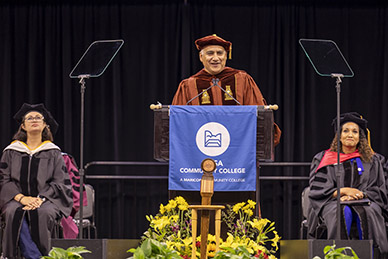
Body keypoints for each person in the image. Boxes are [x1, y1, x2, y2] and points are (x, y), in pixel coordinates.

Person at [172, 34, 281, 146]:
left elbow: (257, 113)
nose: (215, 58)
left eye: (219, 53)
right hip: (200, 149)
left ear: (226, 56)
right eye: (210, 53)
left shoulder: (242, 79)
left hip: (239, 148)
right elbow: (178, 121)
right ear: (201, 57)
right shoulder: (189, 85)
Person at [307, 112, 388, 256]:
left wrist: (359, 195)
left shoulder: (372, 160)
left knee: (368, 212)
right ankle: (338, 256)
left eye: (355, 131)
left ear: (360, 137)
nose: (350, 134)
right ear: (339, 135)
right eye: (345, 131)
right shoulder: (324, 158)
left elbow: (379, 188)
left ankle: (370, 255)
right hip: (331, 201)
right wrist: (343, 191)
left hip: (366, 201)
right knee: (342, 211)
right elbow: (316, 190)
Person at [0, 103, 73, 259]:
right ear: (23, 126)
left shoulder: (53, 152)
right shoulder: (11, 151)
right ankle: (33, 256)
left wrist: (40, 199)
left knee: (44, 212)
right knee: (13, 211)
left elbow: (59, 182)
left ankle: (41, 255)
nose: (34, 120)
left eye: (38, 117)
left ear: (45, 124)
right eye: (29, 118)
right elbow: (4, 180)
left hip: (46, 199)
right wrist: (22, 198)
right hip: (16, 198)